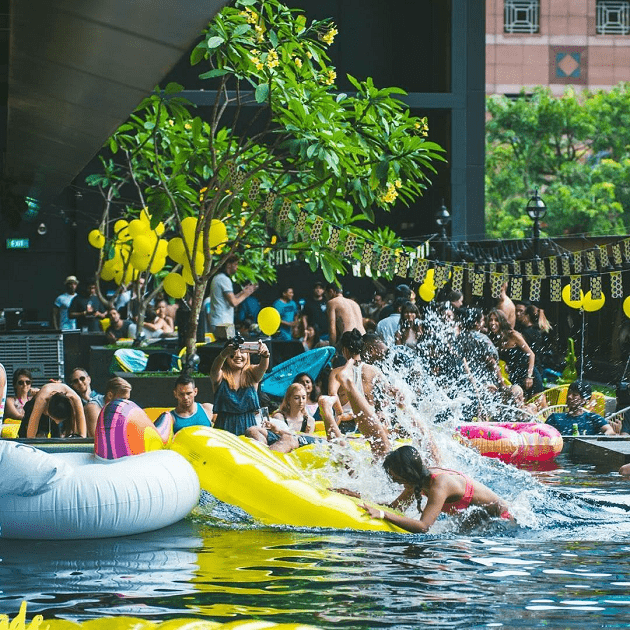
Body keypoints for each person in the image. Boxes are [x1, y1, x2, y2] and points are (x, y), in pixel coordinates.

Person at [360, 445, 512, 533]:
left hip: (502, 521)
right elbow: (397, 508)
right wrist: (358, 498)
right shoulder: (417, 480)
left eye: (397, 478)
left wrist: (383, 515)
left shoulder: (440, 484)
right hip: (478, 522)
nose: (395, 482)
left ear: (408, 474)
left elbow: (423, 527)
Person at [318, 329, 390, 457]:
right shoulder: (374, 371)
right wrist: (382, 413)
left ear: (344, 350)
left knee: (343, 456)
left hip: (346, 426)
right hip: (370, 423)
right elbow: (388, 396)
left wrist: (341, 414)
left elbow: (333, 397)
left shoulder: (336, 372)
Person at [210, 336, 270, 435]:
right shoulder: (221, 376)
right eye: (233, 352)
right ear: (226, 356)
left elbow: (263, 367)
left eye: (242, 351)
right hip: (224, 428)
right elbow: (214, 369)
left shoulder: (252, 373)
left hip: (249, 427)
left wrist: (265, 355)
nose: (238, 355)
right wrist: (223, 354)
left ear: (248, 354)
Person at [486, 308, 542, 397]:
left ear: (502, 322)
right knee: (521, 404)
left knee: (538, 403)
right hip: (514, 377)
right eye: (490, 320)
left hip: (529, 375)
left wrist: (529, 376)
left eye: (496, 320)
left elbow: (531, 354)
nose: (493, 323)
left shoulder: (513, 335)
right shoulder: (493, 339)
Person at [246, 383, 317, 452]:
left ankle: (266, 453)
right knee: (253, 430)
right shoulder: (279, 416)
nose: (301, 401)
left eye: (303, 398)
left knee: (287, 437)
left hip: (292, 443)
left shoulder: (309, 420)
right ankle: (262, 451)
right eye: (296, 398)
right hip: (278, 440)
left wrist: (306, 434)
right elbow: (276, 434)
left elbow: (308, 440)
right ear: (288, 399)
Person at [205, 255, 258, 333]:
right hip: (222, 323)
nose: (237, 267)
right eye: (235, 264)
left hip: (218, 322)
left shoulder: (217, 277)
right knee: (230, 341)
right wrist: (246, 294)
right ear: (228, 265)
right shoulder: (224, 279)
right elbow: (234, 302)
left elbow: (227, 299)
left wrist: (243, 292)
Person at [18, 382, 87, 438]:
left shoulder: (75, 399)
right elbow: (30, 436)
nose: (57, 422)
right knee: (29, 434)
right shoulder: (42, 399)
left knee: (58, 434)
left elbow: (83, 435)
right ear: (47, 410)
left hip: (56, 406)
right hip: (38, 404)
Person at [546, 380, 614, 436]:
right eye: (569, 393)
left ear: (584, 400)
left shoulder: (592, 418)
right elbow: (543, 434)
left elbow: (610, 431)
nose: (569, 397)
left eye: (574, 395)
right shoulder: (555, 418)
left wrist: (597, 440)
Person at [325, 282, 365, 347]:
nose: (326, 297)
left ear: (331, 291)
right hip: (363, 338)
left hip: (349, 340)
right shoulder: (354, 303)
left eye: (326, 294)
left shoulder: (332, 303)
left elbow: (332, 329)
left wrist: (332, 347)